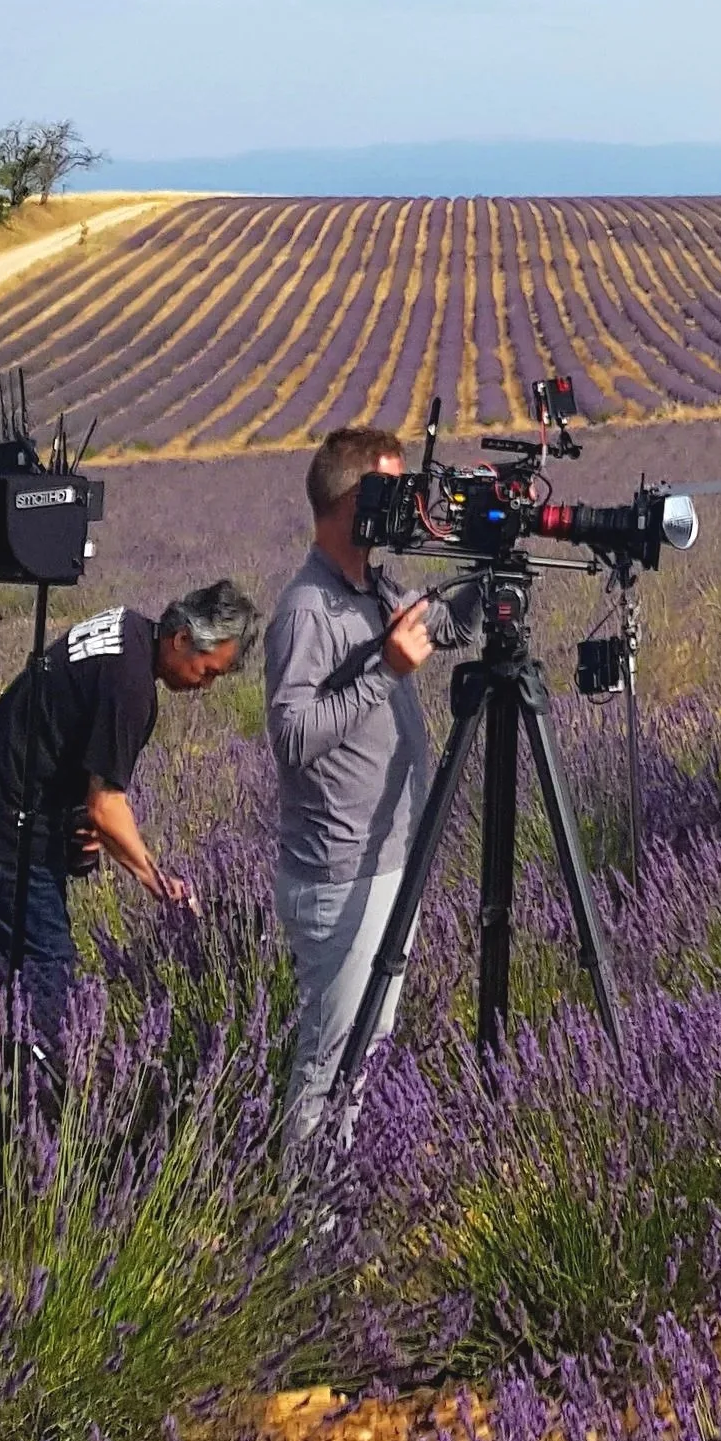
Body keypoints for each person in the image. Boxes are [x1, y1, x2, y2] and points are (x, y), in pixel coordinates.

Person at [264, 423, 485, 1150]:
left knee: (370, 1038)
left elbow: (444, 624)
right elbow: (293, 737)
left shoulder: (375, 584)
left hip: (387, 858)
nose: (409, 505)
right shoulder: (308, 610)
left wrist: (490, 567)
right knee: (332, 1057)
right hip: (341, 871)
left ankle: (335, 1190)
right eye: (394, 490)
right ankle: (304, 1222)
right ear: (355, 498)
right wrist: (385, 669)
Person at [0, 579, 260, 1022]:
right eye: (208, 671)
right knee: (48, 965)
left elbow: (65, 739)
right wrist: (158, 882)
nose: (207, 686)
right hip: (7, 832)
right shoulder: (131, 687)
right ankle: (41, 1083)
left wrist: (74, 818)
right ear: (182, 639)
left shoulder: (125, 629)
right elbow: (107, 807)